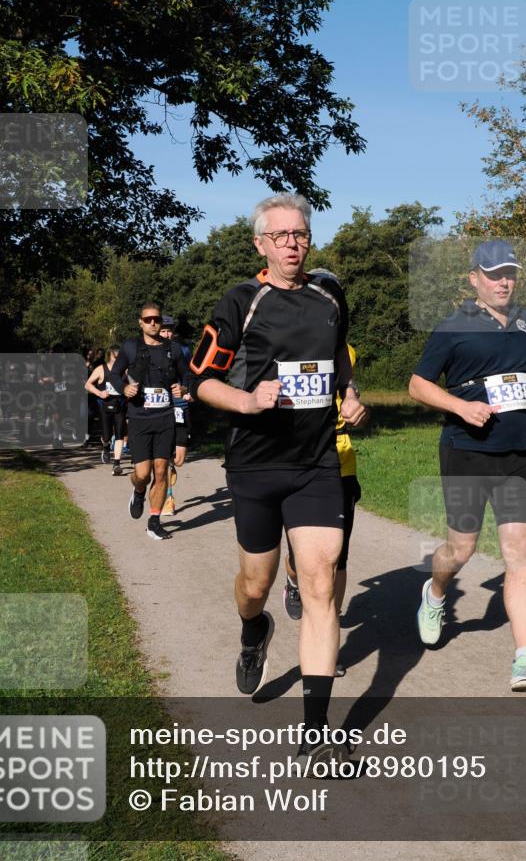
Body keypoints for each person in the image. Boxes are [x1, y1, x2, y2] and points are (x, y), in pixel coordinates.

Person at [191, 193, 367, 759]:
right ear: (261, 244)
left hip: (317, 462)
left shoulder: (329, 295)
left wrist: (351, 394)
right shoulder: (241, 301)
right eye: (282, 236)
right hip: (255, 463)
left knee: (320, 585)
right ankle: (252, 630)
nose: (293, 244)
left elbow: (339, 358)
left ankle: (316, 732)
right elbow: (202, 381)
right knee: (256, 586)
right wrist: (246, 401)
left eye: (301, 234)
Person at [409, 238, 526, 691]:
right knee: (461, 550)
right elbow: (418, 385)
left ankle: (525, 658)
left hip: (517, 455)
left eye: (510, 273)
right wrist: (460, 408)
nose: (504, 281)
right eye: (494, 274)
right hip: (467, 452)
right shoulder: (452, 327)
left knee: (520, 554)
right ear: (474, 278)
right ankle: (435, 592)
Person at [283, 339, 367, 680]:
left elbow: (348, 385)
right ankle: (292, 581)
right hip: (294, 463)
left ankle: (327, 640)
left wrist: (354, 398)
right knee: (299, 559)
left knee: (338, 559)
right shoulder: (282, 340)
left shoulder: (346, 350)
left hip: (340, 462)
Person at [108, 304, 191, 540]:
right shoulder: (131, 347)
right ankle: (138, 490)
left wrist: (182, 386)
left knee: (161, 471)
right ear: (140, 322)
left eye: (156, 319)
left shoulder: (173, 350)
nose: (153, 323)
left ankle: (154, 521)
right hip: (138, 418)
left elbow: (187, 375)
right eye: (148, 319)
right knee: (143, 473)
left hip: (165, 417)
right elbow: (113, 374)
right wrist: (124, 388)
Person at [159, 314, 193, 516]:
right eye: (163, 330)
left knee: (178, 459)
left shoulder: (183, 350)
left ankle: (171, 467)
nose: (166, 333)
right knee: (161, 459)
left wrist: (187, 390)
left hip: (180, 406)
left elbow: (191, 375)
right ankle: (167, 498)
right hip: (158, 409)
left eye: (169, 330)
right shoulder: (148, 351)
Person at [84, 345, 126, 475]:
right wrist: (99, 393)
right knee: (107, 434)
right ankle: (106, 445)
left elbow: (133, 383)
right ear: (110, 356)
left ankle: (116, 464)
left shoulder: (125, 370)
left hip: (119, 405)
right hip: (104, 405)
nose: (118, 359)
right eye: (115, 356)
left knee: (119, 433)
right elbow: (87, 384)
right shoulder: (101, 369)